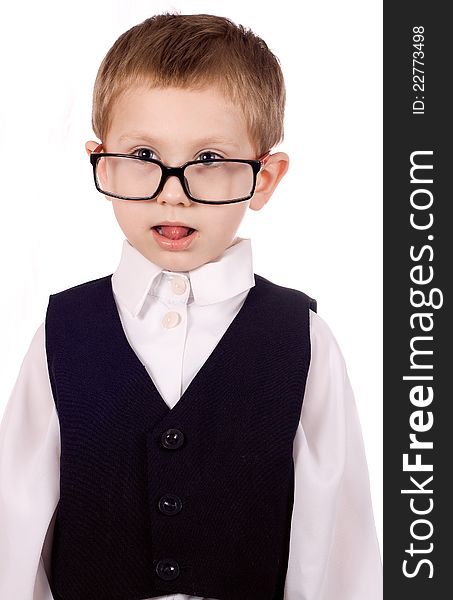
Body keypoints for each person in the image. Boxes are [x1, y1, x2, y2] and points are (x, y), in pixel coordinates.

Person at [0, 12, 382, 600]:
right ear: (101, 161)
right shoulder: (62, 334)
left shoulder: (302, 340)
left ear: (265, 178)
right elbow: (14, 534)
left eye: (208, 160)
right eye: (143, 154)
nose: (172, 191)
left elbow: (336, 549)